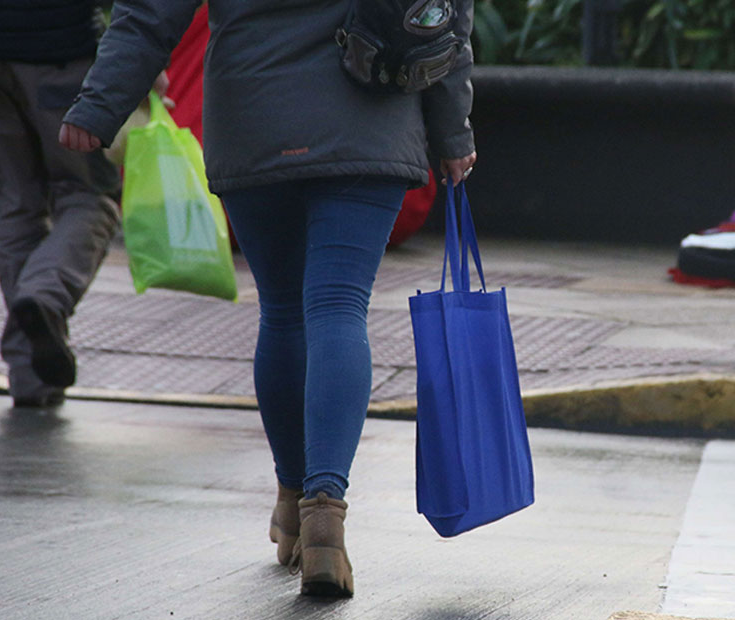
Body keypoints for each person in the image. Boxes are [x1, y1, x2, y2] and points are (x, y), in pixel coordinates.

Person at [59, 0, 477, 597]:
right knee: (338, 306)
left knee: (283, 310)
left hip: (254, 115)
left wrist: (99, 107)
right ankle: (324, 514)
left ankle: (290, 500)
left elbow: (150, 12)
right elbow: (442, 14)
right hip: (371, 112)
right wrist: (453, 130)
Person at [0, 1, 122, 408]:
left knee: (13, 206)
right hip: (64, 52)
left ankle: (31, 379)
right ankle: (46, 294)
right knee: (89, 196)